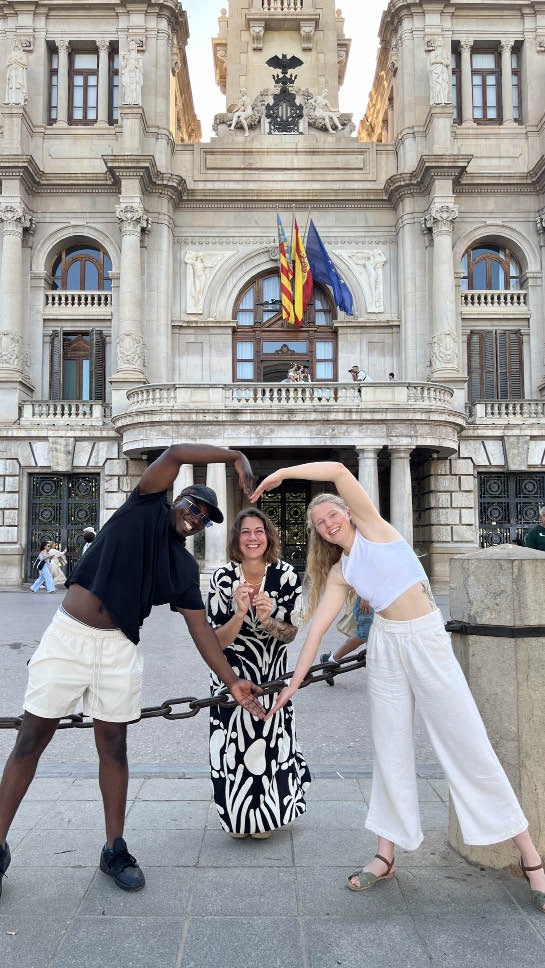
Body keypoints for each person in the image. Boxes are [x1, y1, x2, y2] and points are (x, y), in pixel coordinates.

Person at [250, 461, 545, 914]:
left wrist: (280, 476)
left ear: (348, 513)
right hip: (386, 644)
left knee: (467, 741)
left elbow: (337, 470)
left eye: (333, 515)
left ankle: (530, 857)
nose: (329, 525)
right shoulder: (341, 573)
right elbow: (315, 634)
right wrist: (290, 686)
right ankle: (386, 854)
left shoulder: (375, 528)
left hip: (425, 638)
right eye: (320, 525)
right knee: (389, 747)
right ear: (319, 535)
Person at [0, 444, 265, 902]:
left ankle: (114, 849)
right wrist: (234, 456)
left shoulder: (181, 564)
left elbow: (200, 629)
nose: (195, 518)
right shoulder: (142, 508)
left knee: (114, 747)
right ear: (175, 500)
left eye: (204, 518)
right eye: (192, 507)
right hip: (69, 635)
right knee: (31, 739)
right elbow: (179, 452)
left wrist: (232, 681)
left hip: (119, 646)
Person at [207, 508, 310, 839]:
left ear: (269, 536)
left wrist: (267, 620)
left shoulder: (286, 576)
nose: (253, 538)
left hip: (272, 677)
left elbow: (291, 634)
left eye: (259, 531)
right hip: (231, 677)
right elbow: (214, 641)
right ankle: (237, 818)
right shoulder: (222, 577)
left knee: (271, 746)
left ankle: (267, 817)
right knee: (232, 748)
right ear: (237, 538)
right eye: (246, 532)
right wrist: (239, 614)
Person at [321, 596, 374, 687]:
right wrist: (365, 597)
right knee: (363, 635)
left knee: (378, 636)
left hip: (383, 600)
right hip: (369, 600)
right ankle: (331, 660)